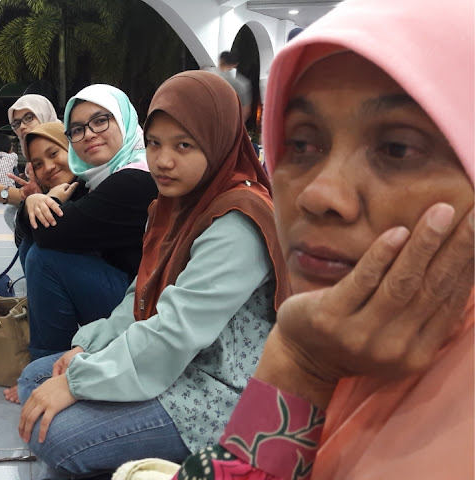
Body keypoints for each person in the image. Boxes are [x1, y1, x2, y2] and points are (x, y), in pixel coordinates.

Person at [173, 0, 474, 478]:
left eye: (397, 148)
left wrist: (296, 360)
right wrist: (300, 360)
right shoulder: (341, 343)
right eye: (301, 144)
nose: (318, 194)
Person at [15, 71, 290, 478]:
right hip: (177, 364)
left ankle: (188, 452)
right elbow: (142, 295)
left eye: (184, 145)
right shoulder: (175, 205)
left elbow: (174, 332)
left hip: (220, 390)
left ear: (218, 141)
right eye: (155, 143)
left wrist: (78, 383)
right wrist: (92, 347)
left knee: (55, 434)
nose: (163, 160)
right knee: (36, 377)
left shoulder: (238, 222)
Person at [4, 85, 159, 403]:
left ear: (124, 120)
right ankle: (54, 359)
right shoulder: (97, 178)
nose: (89, 134)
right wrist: (35, 201)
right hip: (129, 295)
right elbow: (33, 232)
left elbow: (50, 233)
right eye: (77, 129)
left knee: (43, 258)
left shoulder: (135, 180)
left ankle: (48, 371)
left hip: (147, 311)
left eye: (101, 120)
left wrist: (37, 200)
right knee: (33, 251)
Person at [0, 94, 59, 230]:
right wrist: (1, 194)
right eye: (16, 123)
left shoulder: (64, 147)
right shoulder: (30, 164)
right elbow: (32, 196)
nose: (22, 126)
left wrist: (2, 193)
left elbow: (55, 202)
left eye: (29, 118)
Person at [217, 51, 252, 122]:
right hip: (233, 123)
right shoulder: (243, 83)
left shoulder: (213, 79)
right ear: (235, 64)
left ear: (221, 61)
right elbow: (246, 110)